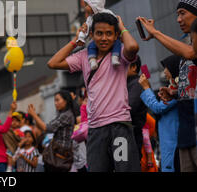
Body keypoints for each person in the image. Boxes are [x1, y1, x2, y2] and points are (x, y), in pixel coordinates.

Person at [48, 13, 141, 172]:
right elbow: (53, 63)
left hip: (120, 127)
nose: (104, 38)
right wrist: (74, 42)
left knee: (125, 169)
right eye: (99, 33)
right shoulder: (83, 56)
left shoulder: (121, 54)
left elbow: (133, 47)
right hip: (96, 130)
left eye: (109, 33)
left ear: (116, 35)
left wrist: (123, 28)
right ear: (91, 34)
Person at [138, 0, 197, 172]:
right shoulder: (185, 52)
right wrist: (174, 92)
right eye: (177, 15)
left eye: (182, 13)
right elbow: (191, 91)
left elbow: (191, 53)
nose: (178, 19)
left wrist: (155, 33)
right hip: (186, 134)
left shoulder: (189, 51)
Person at [138, 55, 180, 172]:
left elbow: (157, 108)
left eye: (166, 68)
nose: (164, 72)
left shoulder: (176, 93)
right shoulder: (173, 90)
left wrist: (146, 88)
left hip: (172, 144)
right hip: (168, 144)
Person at [27, 91, 75, 172]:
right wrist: (34, 115)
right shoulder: (62, 114)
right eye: (54, 101)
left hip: (60, 155)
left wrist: (34, 115)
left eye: (57, 100)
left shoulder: (66, 115)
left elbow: (47, 128)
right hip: (56, 153)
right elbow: (45, 127)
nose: (55, 103)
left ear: (66, 101)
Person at [77, 0, 122, 69]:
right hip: (96, 42)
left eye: (86, 5)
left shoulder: (108, 13)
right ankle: (92, 60)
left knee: (117, 44)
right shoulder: (90, 19)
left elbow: (116, 23)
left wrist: (121, 31)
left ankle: (115, 56)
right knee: (91, 46)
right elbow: (85, 30)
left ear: (94, 4)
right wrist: (81, 37)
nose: (85, 8)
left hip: (113, 41)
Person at [126, 56, 147, 161]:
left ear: (133, 67)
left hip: (131, 134)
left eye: (124, 65)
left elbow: (130, 107)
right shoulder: (128, 83)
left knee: (128, 164)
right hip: (127, 134)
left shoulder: (137, 84)